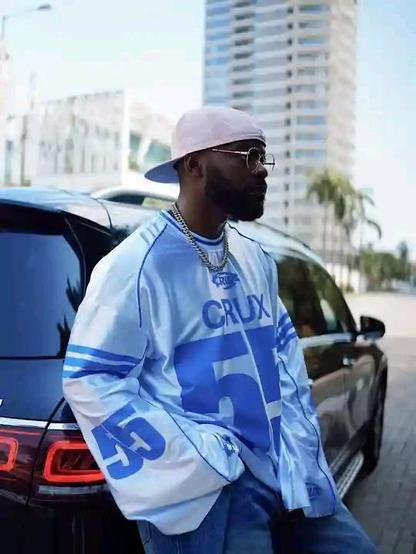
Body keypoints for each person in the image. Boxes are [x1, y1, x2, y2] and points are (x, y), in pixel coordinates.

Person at [63, 107, 377, 553]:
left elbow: (284, 360)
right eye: (248, 156)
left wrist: (297, 452)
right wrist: (202, 458)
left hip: (283, 473)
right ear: (194, 165)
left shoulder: (256, 259)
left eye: (263, 158)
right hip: (205, 496)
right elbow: (91, 378)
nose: (261, 171)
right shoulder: (135, 267)